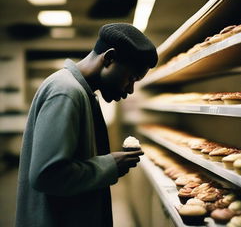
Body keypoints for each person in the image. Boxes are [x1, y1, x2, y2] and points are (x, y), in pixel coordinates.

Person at [15, 23, 158, 227]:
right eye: (131, 78)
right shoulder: (65, 91)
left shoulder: (81, 92)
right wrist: (110, 165)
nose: (130, 89)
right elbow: (47, 175)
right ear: (109, 58)